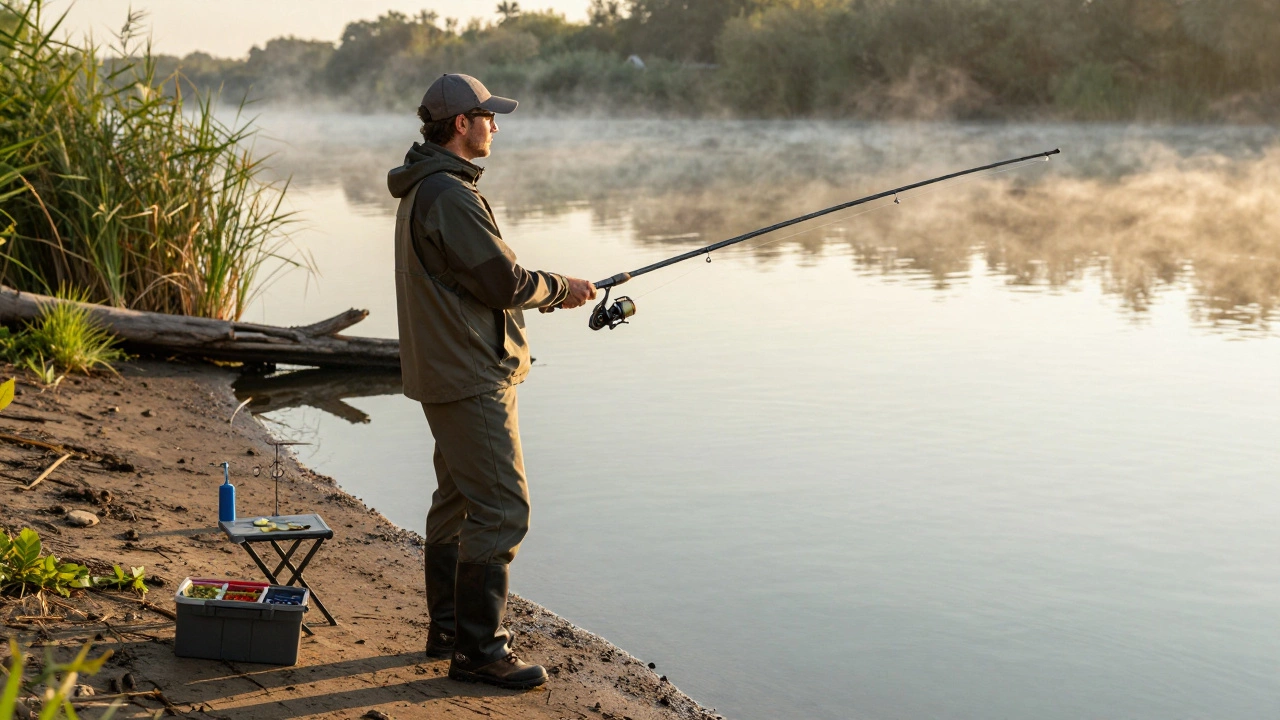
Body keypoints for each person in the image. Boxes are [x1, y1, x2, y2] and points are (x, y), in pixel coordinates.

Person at [387, 73, 596, 690]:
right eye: (488, 117)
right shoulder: (448, 193)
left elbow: (478, 281)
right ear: (461, 124)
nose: (495, 127)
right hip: (470, 374)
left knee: (457, 503)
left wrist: (546, 291)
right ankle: (478, 651)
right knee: (503, 508)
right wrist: (561, 289)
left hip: (448, 368)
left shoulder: (429, 186)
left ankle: (450, 631)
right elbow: (503, 282)